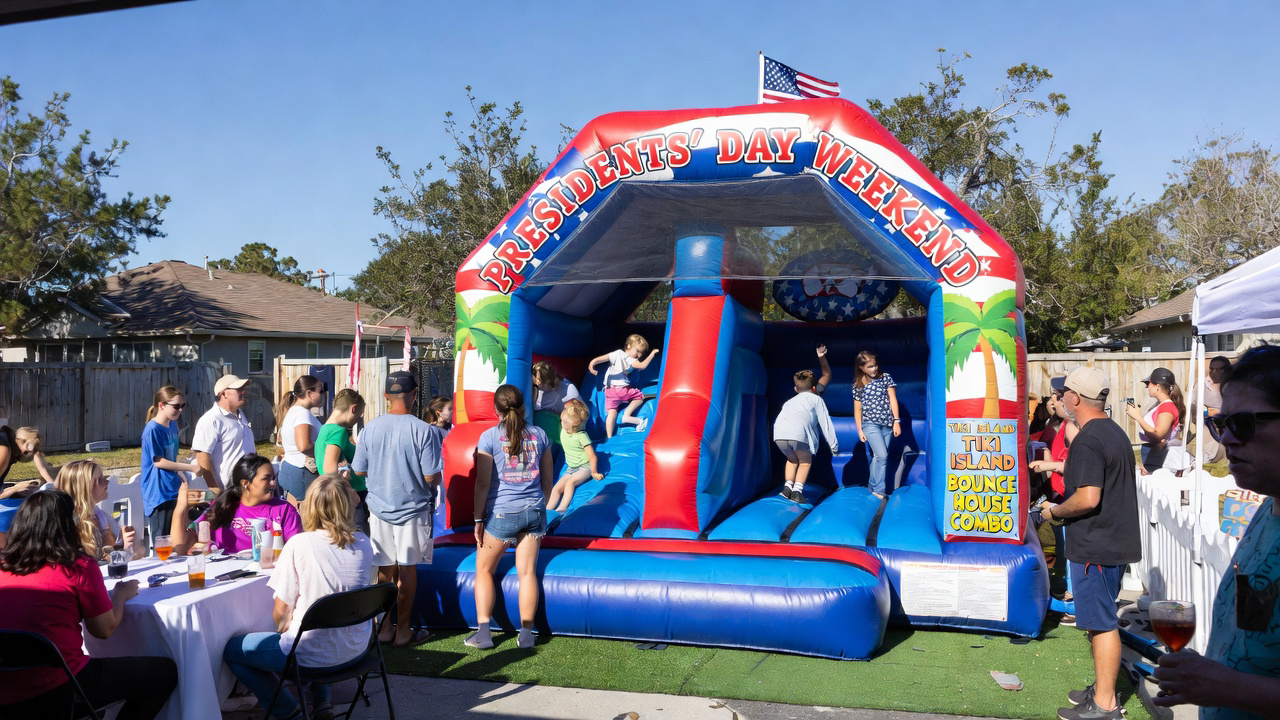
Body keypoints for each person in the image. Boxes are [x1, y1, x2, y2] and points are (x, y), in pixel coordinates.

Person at [1153, 343, 1280, 719]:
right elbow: (1255, 631)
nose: (1225, 440)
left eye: (1242, 424)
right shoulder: (1267, 508)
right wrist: (1214, 669)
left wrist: (1228, 686)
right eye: (1220, 425)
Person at [0, 489, 177, 718]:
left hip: (6, 692)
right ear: (68, 525)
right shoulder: (77, 567)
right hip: (62, 687)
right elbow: (104, 630)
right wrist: (120, 596)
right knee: (164, 673)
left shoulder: (4, 567)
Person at [223, 473, 374, 720]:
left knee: (233, 649)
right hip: (356, 651)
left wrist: (278, 628)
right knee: (318, 625)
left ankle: (287, 709)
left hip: (311, 657)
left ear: (310, 505)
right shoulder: (364, 543)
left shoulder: (300, 544)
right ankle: (322, 703)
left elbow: (281, 614)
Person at [1039, 366, 1140, 720]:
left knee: (1101, 623)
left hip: (1097, 544)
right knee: (1100, 619)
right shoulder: (1113, 431)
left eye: (1064, 391)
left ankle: (1105, 704)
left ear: (1075, 398)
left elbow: (1088, 498)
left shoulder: (1087, 439)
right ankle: (1101, 690)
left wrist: (1054, 512)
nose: (1061, 397)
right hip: (1112, 542)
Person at [350, 370, 440, 648]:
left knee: (384, 572)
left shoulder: (370, 429)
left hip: (378, 510)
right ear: (414, 395)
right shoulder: (424, 430)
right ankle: (403, 632)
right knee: (409, 570)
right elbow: (430, 476)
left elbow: (360, 469)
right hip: (412, 511)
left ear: (387, 396)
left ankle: (385, 629)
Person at [467, 384, 553, 650]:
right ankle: (526, 634)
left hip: (503, 511)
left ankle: (484, 633)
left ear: (496, 409)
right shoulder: (540, 434)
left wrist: (479, 519)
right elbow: (548, 480)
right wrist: (541, 505)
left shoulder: (490, 437)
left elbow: (482, 483)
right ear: (523, 407)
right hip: (534, 511)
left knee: (484, 570)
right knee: (527, 573)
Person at [172, 454, 302, 555]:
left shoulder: (284, 510)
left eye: (273, 478)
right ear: (246, 483)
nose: (273, 483)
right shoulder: (222, 508)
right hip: (227, 579)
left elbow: (296, 552)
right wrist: (180, 509)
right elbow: (181, 547)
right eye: (266, 478)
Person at [140, 386, 202, 550]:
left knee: (177, 538)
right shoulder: (152, 429)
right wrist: (190, 468)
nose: (180, 410)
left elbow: (170, 457)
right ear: (161, 405)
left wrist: (180, 473)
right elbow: (158, 461)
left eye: (183, 406)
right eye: (176, 406)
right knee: (163, 541)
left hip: (171, 488)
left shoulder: (172, 425)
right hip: (158, 492)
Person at [773, 369, 839, 504]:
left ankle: (787, 489)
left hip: (779, 434)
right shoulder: (816, 399)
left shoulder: (789, 401)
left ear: (796, 389)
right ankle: (797, 492)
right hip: (797, 434)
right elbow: (825, 424)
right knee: (805, 462)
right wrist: (834, 446)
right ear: (814, 388)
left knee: (792, 460)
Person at [53, 460, 140, 562]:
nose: (106, 482)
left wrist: (125, 544)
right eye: (99, 480)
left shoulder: (100, 517)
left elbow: (109, 557)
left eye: (105, 477)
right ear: (83, 488)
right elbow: (89, 564)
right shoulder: (71, 525)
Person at [588, 333, 660, 437]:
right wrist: (652, 354)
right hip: (622, 390)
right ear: (629, 346)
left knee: (611, 413)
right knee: (639, 397)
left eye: (641, 353)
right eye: (637, 351)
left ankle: (609, 437)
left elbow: (603, 358)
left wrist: (592, 363)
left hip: (610, 391)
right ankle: (627, 416)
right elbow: (643, 366)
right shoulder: (630, 360)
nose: (639, 355)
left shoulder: (617, 353)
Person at [192, 374, 255, 492]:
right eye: (239, 389)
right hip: (228, 492)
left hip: (248, 488)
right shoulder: (211, 419)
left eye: (244, 389)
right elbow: (202, 456)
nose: (243, 392)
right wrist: (214, 488)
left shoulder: (241, 415)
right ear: (223, 393)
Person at [316, 388, 366, 532]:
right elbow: (330, 468)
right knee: (358, 537)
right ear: (353, 409)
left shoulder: (325, 429)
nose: (358, 420)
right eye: (359, 415)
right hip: (347, 496)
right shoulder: (338, 431)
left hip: (335, 494)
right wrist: (351, 493)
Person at [852, 350, 901, 497]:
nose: (874, 369)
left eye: (875, 366)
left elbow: (893, 399)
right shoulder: (858, 385)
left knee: (877, 457)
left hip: (886, 424)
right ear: (861, 368)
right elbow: (857, 409)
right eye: (870, 367)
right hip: (870, 424)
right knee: (882, 456)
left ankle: (871, 485)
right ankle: (879, 491)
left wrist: (896, 421)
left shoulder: (885, 378)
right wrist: (860, 430)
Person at [546, 398, 604, 513]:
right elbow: (567, 409)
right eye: (562, 419)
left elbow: (592, 456)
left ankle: (561, 509)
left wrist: (594, 472)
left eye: (563, 421)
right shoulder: (564, 430)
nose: (561, 422)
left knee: (570, 483)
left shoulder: (581, 436)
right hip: (571, 467)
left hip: (585, 466)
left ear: (572, 426)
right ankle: (547, 510)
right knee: (556, 488)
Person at [1125, 366, 1186, 475]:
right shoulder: (1162, 406)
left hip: (1161, 457)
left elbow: (1158, 435)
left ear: (1157, 386)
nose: (1147, 387)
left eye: (1148, 384)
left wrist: (1138, 417)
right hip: (1155, 453)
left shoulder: (1167, 407)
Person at [275, 375, 325, 504]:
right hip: (301, 471)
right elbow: (303, 446)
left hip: (293, 469)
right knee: (305, 518)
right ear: (310, 393)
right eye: (321, 391)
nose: (323, 394)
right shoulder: (302, 413)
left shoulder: (295, 411)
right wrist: (327, 450)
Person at [0, 425, 56, 490]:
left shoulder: (6, 439)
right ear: (20, 441)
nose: (21, 455)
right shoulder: (4, 449)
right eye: (25, 452)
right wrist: (15, 489)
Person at [1197, 355, 1231, 463]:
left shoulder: (1233, 388)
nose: (1213, 372)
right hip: (1207, 431)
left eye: (1218, 369)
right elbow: (1194, 411)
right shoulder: (1202, 387)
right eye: (1211, 369)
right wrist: (1207, 412)